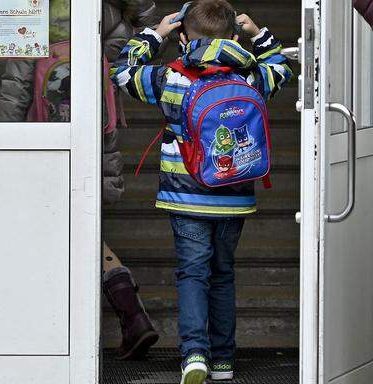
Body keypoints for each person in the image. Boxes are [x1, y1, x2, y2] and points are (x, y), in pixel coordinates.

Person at [110, 0, 293, 382]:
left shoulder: (172, 78)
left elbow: (123, 71)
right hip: (234, 195)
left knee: (193, 274)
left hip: (185, 195)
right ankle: (224, 360)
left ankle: (195, 354)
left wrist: (153, 34)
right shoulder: (250, 78)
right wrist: (258, 34)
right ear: (232, 36)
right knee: (223, 274)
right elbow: (280, 66)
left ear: (182, 37)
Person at [0, 0, 162, 360]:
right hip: (93, 120)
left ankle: (112, 321)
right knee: (74, 227)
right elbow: (138, 22)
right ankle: (131, 315)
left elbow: (17, 83)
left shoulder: (32, 10)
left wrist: (0, 145)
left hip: (47, 134)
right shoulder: (105, 11)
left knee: (57, 227)